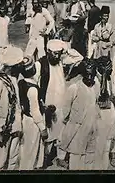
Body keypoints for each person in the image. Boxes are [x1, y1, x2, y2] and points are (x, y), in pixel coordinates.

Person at [38, 39, 84, 168]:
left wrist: (66, 49)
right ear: (48, 51)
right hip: (48, 104)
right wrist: (42, 104)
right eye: (54, 53)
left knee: (62, 132)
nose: (57, 56)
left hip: (62, 103)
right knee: (48, 133)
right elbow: (36, 84)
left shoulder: (61, 61)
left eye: (59, 53)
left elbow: (79, 57)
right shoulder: (41, 64)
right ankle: (44, 159)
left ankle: (60, 158)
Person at [58, 60, 98, 170]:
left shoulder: (96, 86)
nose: (90, 77)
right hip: (78, 129)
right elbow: (66, 108)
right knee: (76, 157)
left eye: (92, 74)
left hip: (91, 128)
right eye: (87, 74)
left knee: (89, 157)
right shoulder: (74, 88)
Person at [0, 46, 24, 170]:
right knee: (0, 162)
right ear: (11, 66)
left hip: (15, 126)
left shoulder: (13, 79)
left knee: (13, 159)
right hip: (3, 128)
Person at [18, 59, 48, 170]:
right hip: (33, 123)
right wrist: (42, 128)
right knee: (31, 152)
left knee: (25, 150)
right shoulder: (32, 89)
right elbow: (34, 111)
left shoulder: (21, 83)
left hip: (25, 119)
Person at [91, 59, 115, 170]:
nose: (111, 69)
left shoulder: (109, 79)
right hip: (100, 116)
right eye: (109, 68)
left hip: (110, 115)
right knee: (98, 145)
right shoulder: (95, 81)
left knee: (106, 145)